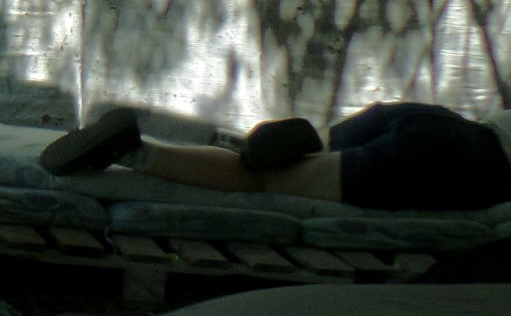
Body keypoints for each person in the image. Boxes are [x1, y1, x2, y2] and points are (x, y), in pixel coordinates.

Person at [41, 102, 511, 212]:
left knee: (296, 151)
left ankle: (252, 145)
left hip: (441, 122)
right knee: (261, 179)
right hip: (459, 163)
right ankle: (135, 153)